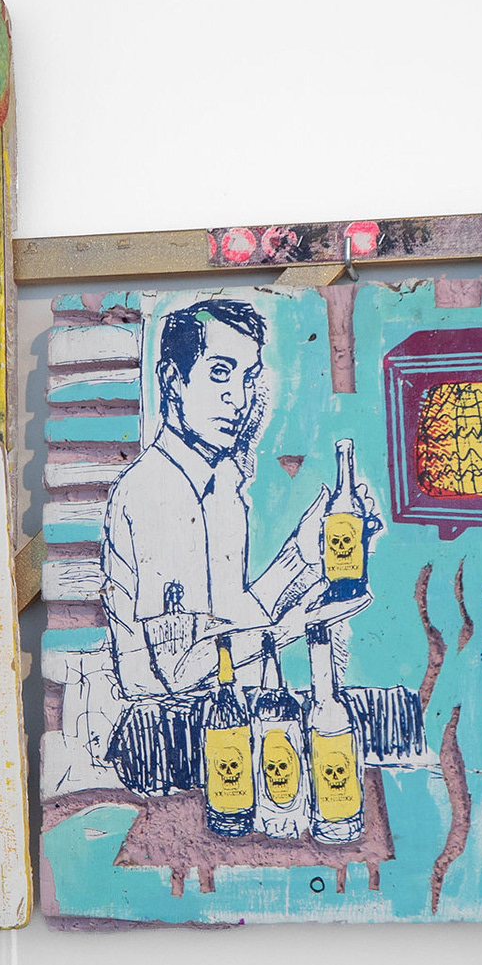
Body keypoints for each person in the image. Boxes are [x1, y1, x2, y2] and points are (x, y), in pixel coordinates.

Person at [101, 297, 371, 699]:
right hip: (174, 726)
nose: (240, 400)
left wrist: (301, 554)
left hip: (235, 717)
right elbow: (179, 669)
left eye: (247, 378)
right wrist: (294, 626)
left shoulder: (222, 484)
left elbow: (232, 620)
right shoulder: (152, 491)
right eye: (220, 373)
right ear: (172, 380)